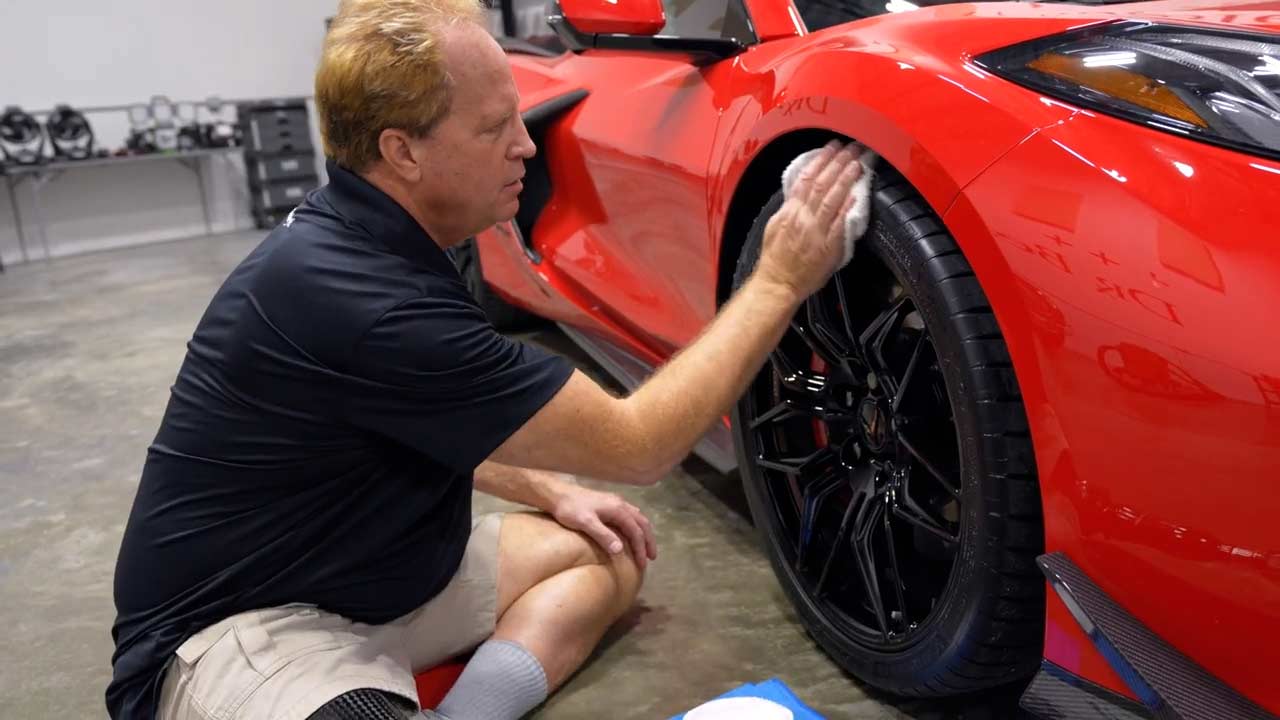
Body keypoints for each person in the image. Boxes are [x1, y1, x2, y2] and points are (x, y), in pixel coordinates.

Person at [105, 0, 866, 718]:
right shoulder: (364, 300)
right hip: (246, 626)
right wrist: (779, 280)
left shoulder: (384, 236)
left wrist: (552, 491)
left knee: (608, 551)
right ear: (402, 152)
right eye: (495, 127)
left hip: (370, 576)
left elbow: (429, 416)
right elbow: (639, 445)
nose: (527, 145)